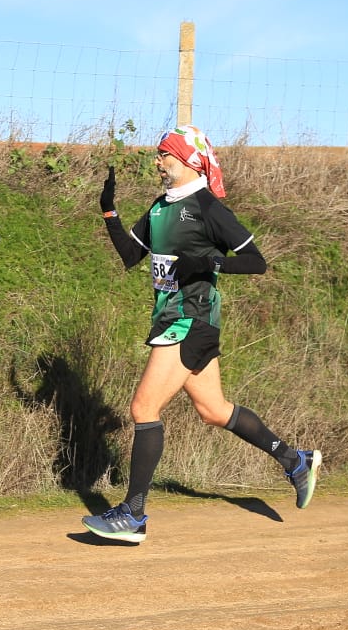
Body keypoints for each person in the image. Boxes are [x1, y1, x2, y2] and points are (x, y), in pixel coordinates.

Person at [82, 124, 320, 542]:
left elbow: (256, 262)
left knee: (143, 408)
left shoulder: (208, 207)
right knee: (213, 410)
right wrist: (108, 212)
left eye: (164, 155)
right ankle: (294, 460)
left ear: (188, 160)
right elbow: (129, 255)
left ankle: (133, 516)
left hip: (191, 319)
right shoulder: (160, 207)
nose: (156, 162)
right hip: (171, 316)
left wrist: (209, 263)